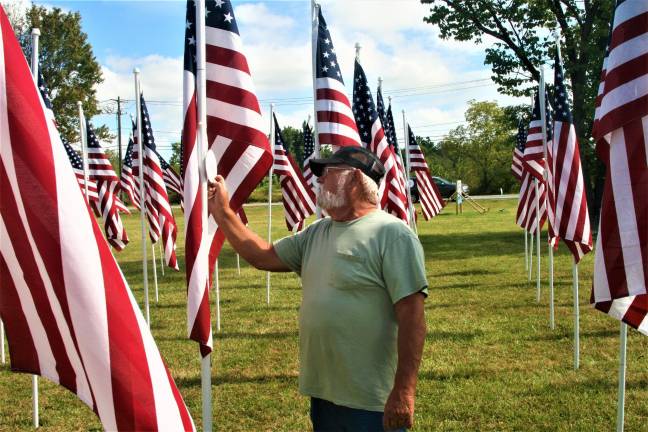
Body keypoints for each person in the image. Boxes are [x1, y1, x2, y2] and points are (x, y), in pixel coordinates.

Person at [208, 146, 427, 431]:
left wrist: (404, 390)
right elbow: (262, 255)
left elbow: (413, 318)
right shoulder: (317, 231)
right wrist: (223, 212)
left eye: (326, 173)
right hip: (324, 394)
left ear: (354, 180)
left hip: (372, 399)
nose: (318, 180)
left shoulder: (392, 234)